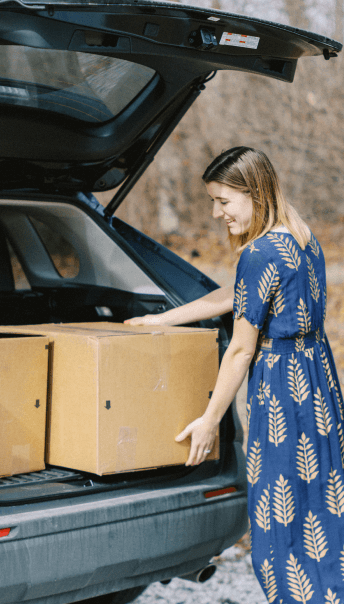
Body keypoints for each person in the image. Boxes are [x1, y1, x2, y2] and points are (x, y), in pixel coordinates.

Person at [125, 146, 344, 602]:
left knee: (280, 523)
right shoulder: (300, 235)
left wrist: (209, 420)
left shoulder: (259, 252)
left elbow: (241, 351)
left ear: (255, 192)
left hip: (283, 389)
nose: (215, 212)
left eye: (223, 201)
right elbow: (241, 293)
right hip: (318, 385)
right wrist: (161, 320)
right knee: (322, 510)